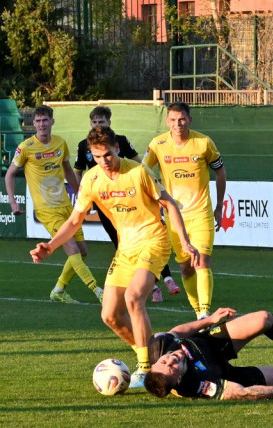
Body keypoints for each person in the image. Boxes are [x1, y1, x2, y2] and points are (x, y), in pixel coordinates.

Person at [30, 126, 199, 386]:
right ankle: (152, 354)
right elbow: (75, 220)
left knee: (134, 297)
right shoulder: (91, 179)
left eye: (108, 155)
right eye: (97, 157)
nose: (104, 162)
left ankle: (144, 369)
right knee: (109, 315)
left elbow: (169, 204)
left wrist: (185, 242)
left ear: (116, 148)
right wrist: (50, 246)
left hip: (154, 241)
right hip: (125, 248)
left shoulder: (138, 171)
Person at [74, 105, 181, 303]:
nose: (98, 125)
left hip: (131, 198)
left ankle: (167, 278)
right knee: (120, 242)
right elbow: (78, 171)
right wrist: (81, 195)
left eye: (102, 122)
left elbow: (138, 162)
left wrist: (146, 182)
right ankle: (153, 286)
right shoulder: (84, 146)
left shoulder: (120, 141)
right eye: (95, 122)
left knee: (150, 237)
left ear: (109, 124)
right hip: (105, 202)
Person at [5, 105, 102, 303]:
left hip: (66, 206)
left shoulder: (60, 143)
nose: (42, 124)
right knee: (72, 248)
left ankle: (58, 290)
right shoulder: (25, 148)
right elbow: (10, 174)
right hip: (46, 209)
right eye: (38, 121)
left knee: (83, 251)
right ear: (33, 124)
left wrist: (81, 196)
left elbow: (68, 170)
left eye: (45, 120)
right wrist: (13, 201)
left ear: (52, 122)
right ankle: (99, 292)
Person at [142, 102, 227, 319]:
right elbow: (142, 173)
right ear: (167, 121)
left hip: (201, 214)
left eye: (181, 119)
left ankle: (205, 312)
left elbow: (220, 173)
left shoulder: (203, 143)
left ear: (190, 119)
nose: (177, 124)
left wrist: (219, 206)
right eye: (172, 119)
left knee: (201, 261)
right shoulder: (158, 144)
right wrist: (155, 196)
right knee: (186, 269)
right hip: (174, 217)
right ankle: (198, 310)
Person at [144, 307, 273, 401]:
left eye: (164, 361)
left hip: (211, 343)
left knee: (264, 318)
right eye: (172, 368)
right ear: (178, 381)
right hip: (223, 373)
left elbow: (178, 332)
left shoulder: (158, 346)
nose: (171, 359)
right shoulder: (197, 385)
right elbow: (239, 392)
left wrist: (209, 320)